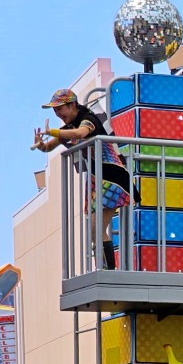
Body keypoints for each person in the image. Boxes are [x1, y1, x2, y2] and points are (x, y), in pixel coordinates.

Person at [33, 88, 133, 270]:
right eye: (55, 111)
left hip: (113, 175)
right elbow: (49, 147)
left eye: (60, 109)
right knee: (94, 229)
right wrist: (41, 145)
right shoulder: (70, 125)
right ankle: (104, 269)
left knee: (96, 228)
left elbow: (80, 133)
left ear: (72, 105)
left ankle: (108, 270)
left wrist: (54, 132)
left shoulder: (88, 119)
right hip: (98, 178)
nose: (58, 114)